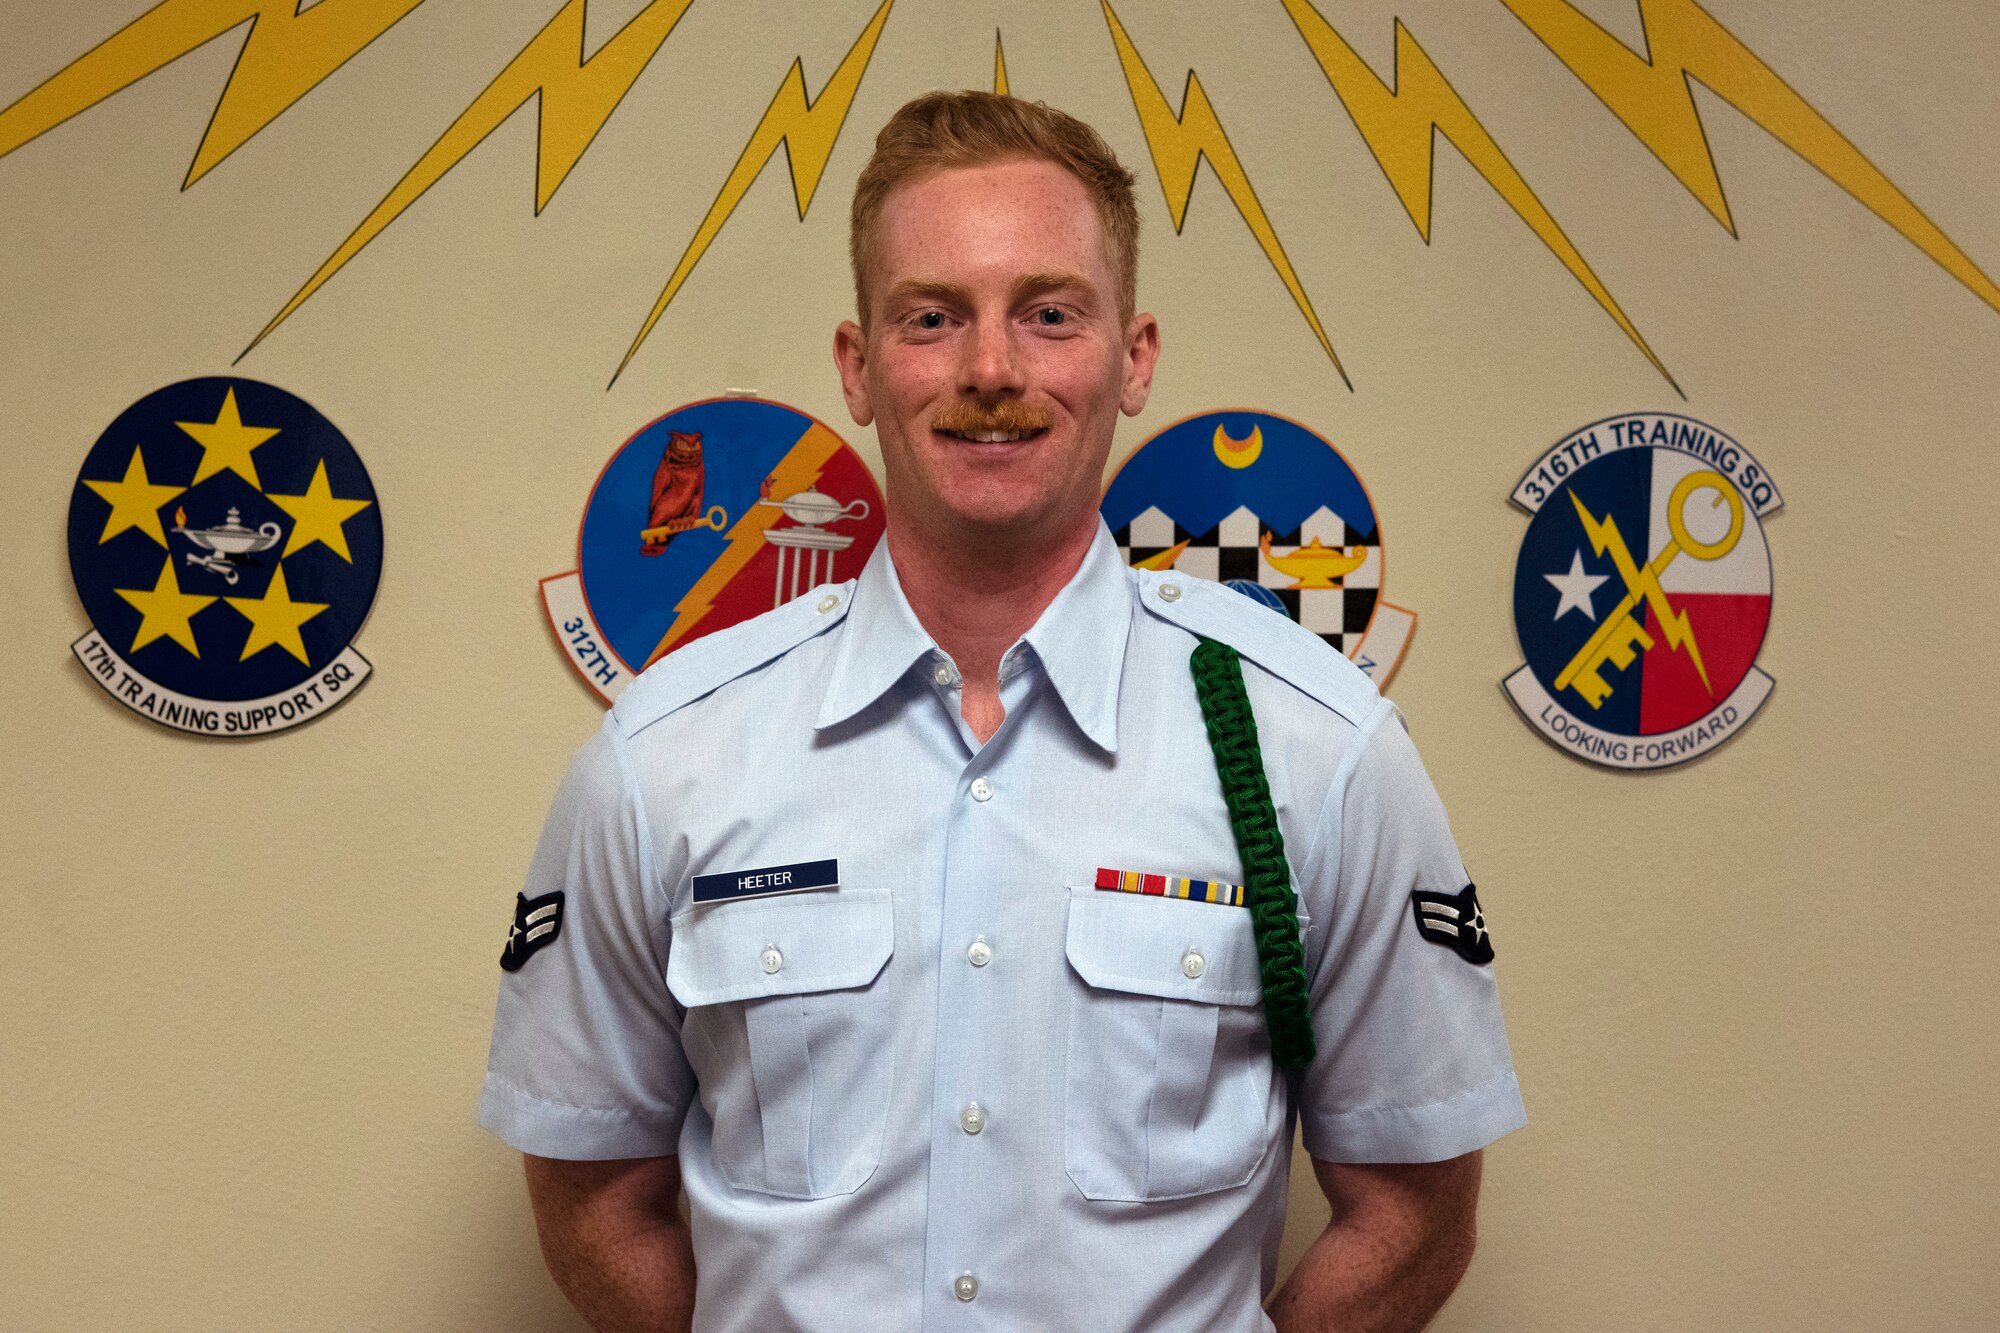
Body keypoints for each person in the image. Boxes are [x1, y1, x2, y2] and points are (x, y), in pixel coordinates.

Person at [480, 90, 1524, 1333]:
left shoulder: (1313, 746)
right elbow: (594, 1202)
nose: (990, 370)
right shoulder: (669, 756)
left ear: (1130, 358)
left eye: (1048, 313)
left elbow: (1415, 1210)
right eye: (931, 318)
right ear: (859, 367)